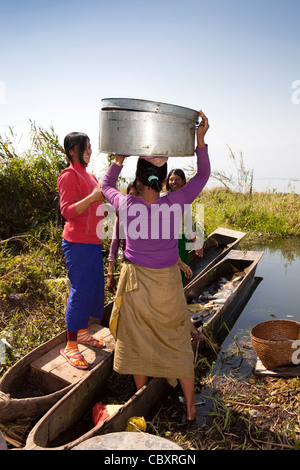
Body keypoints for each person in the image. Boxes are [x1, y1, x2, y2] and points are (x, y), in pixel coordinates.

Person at [101, 110, 210, 422]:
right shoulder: (176, 203)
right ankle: (190, 410)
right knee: (178, 342)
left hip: (134, 285)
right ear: (164, 181)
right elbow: (202, 176)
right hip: (166, 286)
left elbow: (105, 184)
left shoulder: (125, 204)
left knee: (136, 342)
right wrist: (200, 140)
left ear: (137, 181)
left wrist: (118, 158)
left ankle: (142, 401)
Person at [57, 132, 105, 370]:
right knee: (81, 290)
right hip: (77, 243)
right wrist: (94, 197)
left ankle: (83, 332)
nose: (89, 151)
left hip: (93, 242)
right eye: (85, 147)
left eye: (89, 147)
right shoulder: (69, 175)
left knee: (93, 289)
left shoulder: (91, 176)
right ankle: (71, 346)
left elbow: (94, 207)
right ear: (71, 151)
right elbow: (67, 210)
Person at [107, 181, 139, 294]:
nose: (134, 198)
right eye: (131, 195)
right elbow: (114, 246)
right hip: (129, 263)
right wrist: (110, 273)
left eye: (137, 194)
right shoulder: (122, 216)